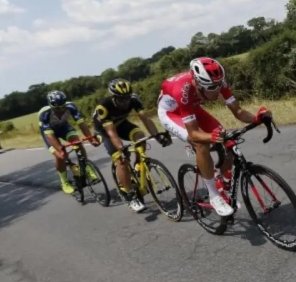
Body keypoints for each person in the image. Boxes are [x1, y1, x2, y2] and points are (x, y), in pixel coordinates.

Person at [157, 57, 272, 217]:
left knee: (227, 138)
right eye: (211, 87)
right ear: (197, 83)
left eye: (219, 86)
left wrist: (257, 119)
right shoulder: (182, 91)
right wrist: (209, 136)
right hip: (172, 112)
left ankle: (223, 184)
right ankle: (214, 196)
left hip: (193, 107)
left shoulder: (218, 82)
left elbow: (238, 111)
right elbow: (193, 133)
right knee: (201, 143)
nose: (217, 91)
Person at [93, 78, 170, 213]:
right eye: (121, 99)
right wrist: (121, 149)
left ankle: (139, 164)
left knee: (140, 136)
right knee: (121, 159)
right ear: (114, 97)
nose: (125, 102)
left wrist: (158, 136)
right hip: (105, 130)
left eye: (127, 98)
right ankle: (129, 195)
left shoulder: (134, 99)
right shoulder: (103, 106)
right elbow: (112, 133)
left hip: (121, 124)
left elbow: (146, 119)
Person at [38, 90, 101, 194]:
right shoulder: (44, 113)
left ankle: (86, 167)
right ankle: (64, 182)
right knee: (60, 156)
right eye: (58, 109)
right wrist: (60, 149)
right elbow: (49, 135)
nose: (61, 110)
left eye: (63, 107)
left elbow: (81, 124)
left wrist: (90, 139)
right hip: (50, 133)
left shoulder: (71, 106)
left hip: (64, 128)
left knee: (77, 142)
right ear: (51, 106)